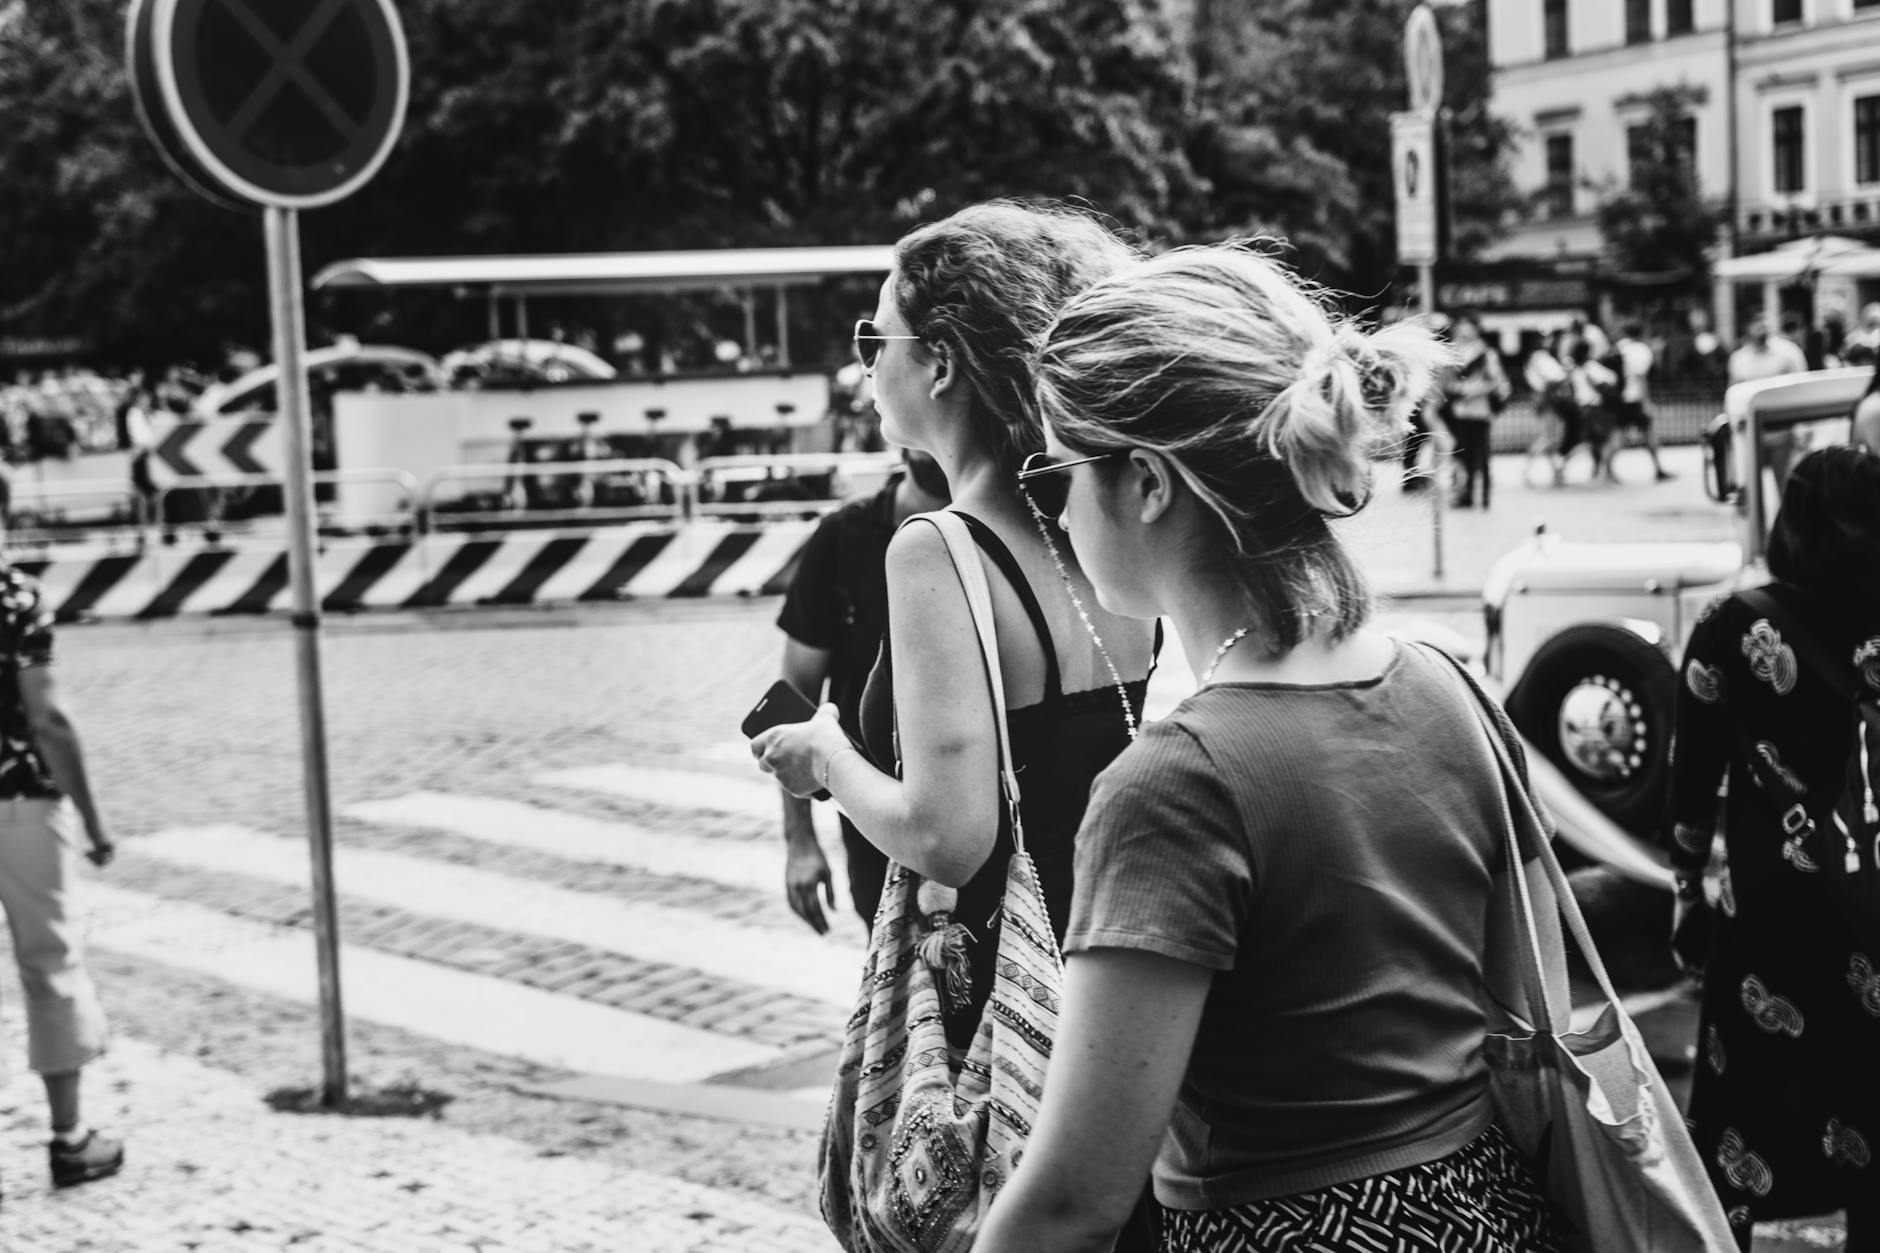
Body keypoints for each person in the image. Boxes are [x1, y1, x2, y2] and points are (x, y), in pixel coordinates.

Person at [971, 244, 1565, 1253]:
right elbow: (1527, 993)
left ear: (1148, 481)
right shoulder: (1444, 684)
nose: (1057, 507)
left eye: (1056, 470)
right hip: (1495, 1214)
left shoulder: (1174, 783)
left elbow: (1073, 1199)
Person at [751, 201, 1159, 1248]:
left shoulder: (938, 548)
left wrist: (827, 758)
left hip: (1001, 982)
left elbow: (947, 832)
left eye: (871, 338)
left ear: (937, 363)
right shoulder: (1104, 526)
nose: (863, 368)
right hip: (1120, 959)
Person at [1665, 445, 1880, 1252]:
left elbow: (1692, 787)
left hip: (1770, 920)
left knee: (1743, 1110)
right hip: (1875, 905)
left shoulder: (1733, 624)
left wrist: (1686, 887)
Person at [773, 449, 949, 933]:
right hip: (873, 821)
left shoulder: (1004, 524)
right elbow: (797, 694)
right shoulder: (843, 536)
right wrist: (800, 840)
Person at [0, 557, 126, 1192]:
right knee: (49, 963)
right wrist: (96, 822)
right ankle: (70, 1141)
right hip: (18, 801)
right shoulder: (12, 594)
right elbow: (47, 718)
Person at [1731, 315, 1813, 494]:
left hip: (1783, 431)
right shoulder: (1739, 359)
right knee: (1751, 488)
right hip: (1752, 432)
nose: (1761, 328)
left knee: (1786, 486)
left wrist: (1802, 429)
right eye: (1756, 323)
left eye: (1763, 323)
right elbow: (1734, 395)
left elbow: (1802, 388)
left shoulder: (1788, 353)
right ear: (1748, 327)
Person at [1438, 313, 1508, 509]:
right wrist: (1457, 390)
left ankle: (1484, 497)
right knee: (1462, 454)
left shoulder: (1486, 353)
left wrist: (1472, 390)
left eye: (1468, 325)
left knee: (1482, 455)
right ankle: (1466, 495)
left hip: (1480, 410)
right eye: (1461, 325)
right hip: (1460, 410)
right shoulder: (1455, 352)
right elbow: (1447, 382)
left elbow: (1496, 381)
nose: (1463, 329)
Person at [1611, 321, 1676, 482]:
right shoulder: (1640, 350)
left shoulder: (1619, 348)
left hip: (1620, 398)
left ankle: (1606, 469)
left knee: (1620, 436)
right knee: (1648, 434)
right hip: (1634, 398)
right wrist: (1646, 402)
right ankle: (1658, 469)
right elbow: (1642, 377)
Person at [1567, 337, 1620, 483]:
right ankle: (1606, 471)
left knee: (1592, 442)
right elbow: (1611, 378)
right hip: (1595, 407)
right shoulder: (1590, 366)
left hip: (1582, 407)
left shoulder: (1574, 368)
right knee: (1605, 440)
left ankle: (1597, 470)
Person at [1522, 334, 1573, 486]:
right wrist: (1567, 371)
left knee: (1550, 438)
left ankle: (1556, 472)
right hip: (1547, 400)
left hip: (1544, 399)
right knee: (1549, 437)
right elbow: (1555, 376)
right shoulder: (1541, 357)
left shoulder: (1536, 357)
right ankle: (1527, 470)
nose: (1549, 341)